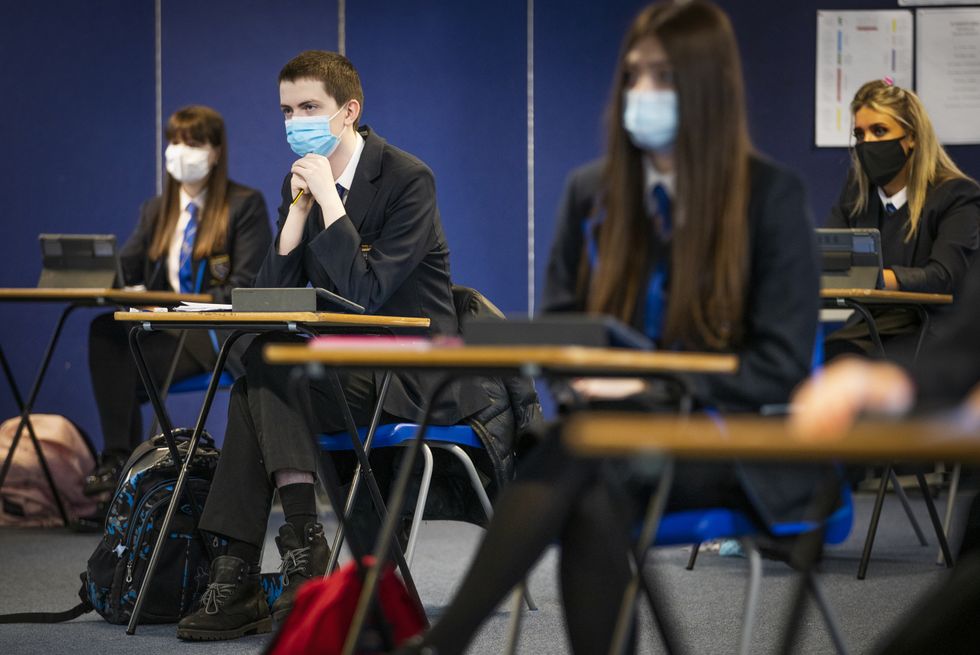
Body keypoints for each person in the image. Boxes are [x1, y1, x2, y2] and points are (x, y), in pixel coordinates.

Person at [405, 2, 826, 653]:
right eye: (634, 76)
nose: (643, 94)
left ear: (706, 86)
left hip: (730, 438)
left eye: (662, 77)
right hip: (613, 438)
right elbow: (560, 333)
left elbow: (782, 364)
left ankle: (441, 645)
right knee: (591, 472)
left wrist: (649, 392)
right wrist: (592, 381)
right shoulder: (592, 194)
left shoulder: (770, 197)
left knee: (580, 458)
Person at [175, 51, 515, 641]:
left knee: (267, 373)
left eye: (309, 108)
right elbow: (270, 303)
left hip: (409, 370)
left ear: (349, 111)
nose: (294, 122)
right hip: (331, 367)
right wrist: (295, 217)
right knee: (261, 363)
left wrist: (329, 201)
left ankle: (261, 565)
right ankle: (272, 560)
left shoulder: (408, 180)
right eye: (286, 110)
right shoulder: (298, 182)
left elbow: (368, 293)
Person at [84, 105, 271, 497]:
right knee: (105, 331)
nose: (181, 151)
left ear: (216, 151)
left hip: (213, 330)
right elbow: (127, 270)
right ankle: (119, 463)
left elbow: (245, 285)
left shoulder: (243, 205)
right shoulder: (156, 211)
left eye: (194, 143)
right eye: (175, 142)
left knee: (126, 362)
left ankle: (127, 478)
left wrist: (175, 308)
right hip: (164, 330)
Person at [823, 79, 980, 361]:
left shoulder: (957, 196)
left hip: (933, 333)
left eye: (879, 131)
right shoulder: (858, 194)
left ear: (912, 138)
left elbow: (944, 276)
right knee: (839, 353)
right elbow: (828, 260)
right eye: (859, 134)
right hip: (869, 327)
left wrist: (876, 278)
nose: (867, 142)